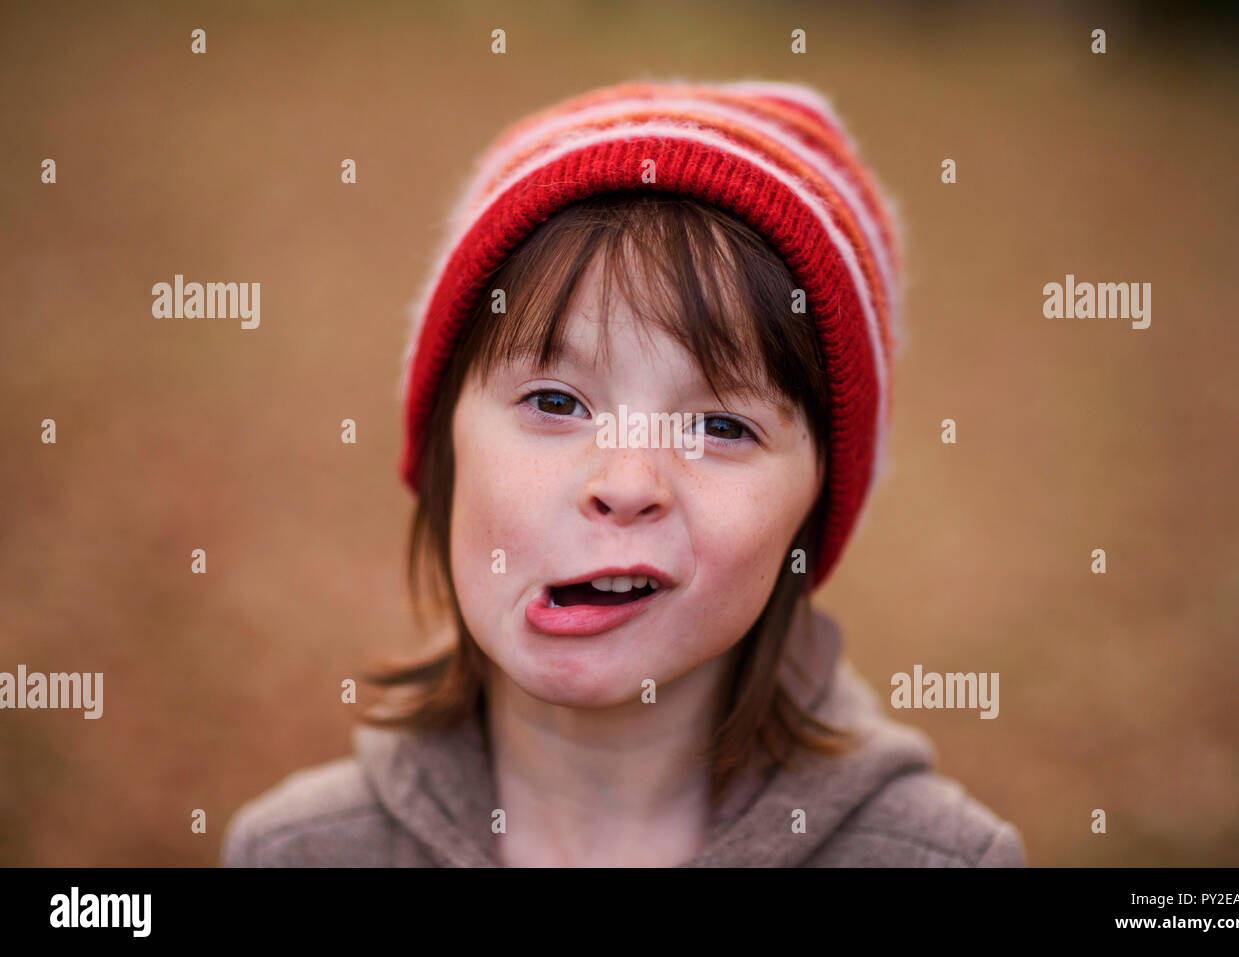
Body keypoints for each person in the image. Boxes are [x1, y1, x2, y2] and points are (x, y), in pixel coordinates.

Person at [221, 80, 1026, 867]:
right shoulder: (295, 850)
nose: (627, 480)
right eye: (555, 400)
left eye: (720, 425)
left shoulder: (945, 860)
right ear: (445, 452)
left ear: (809, 517)